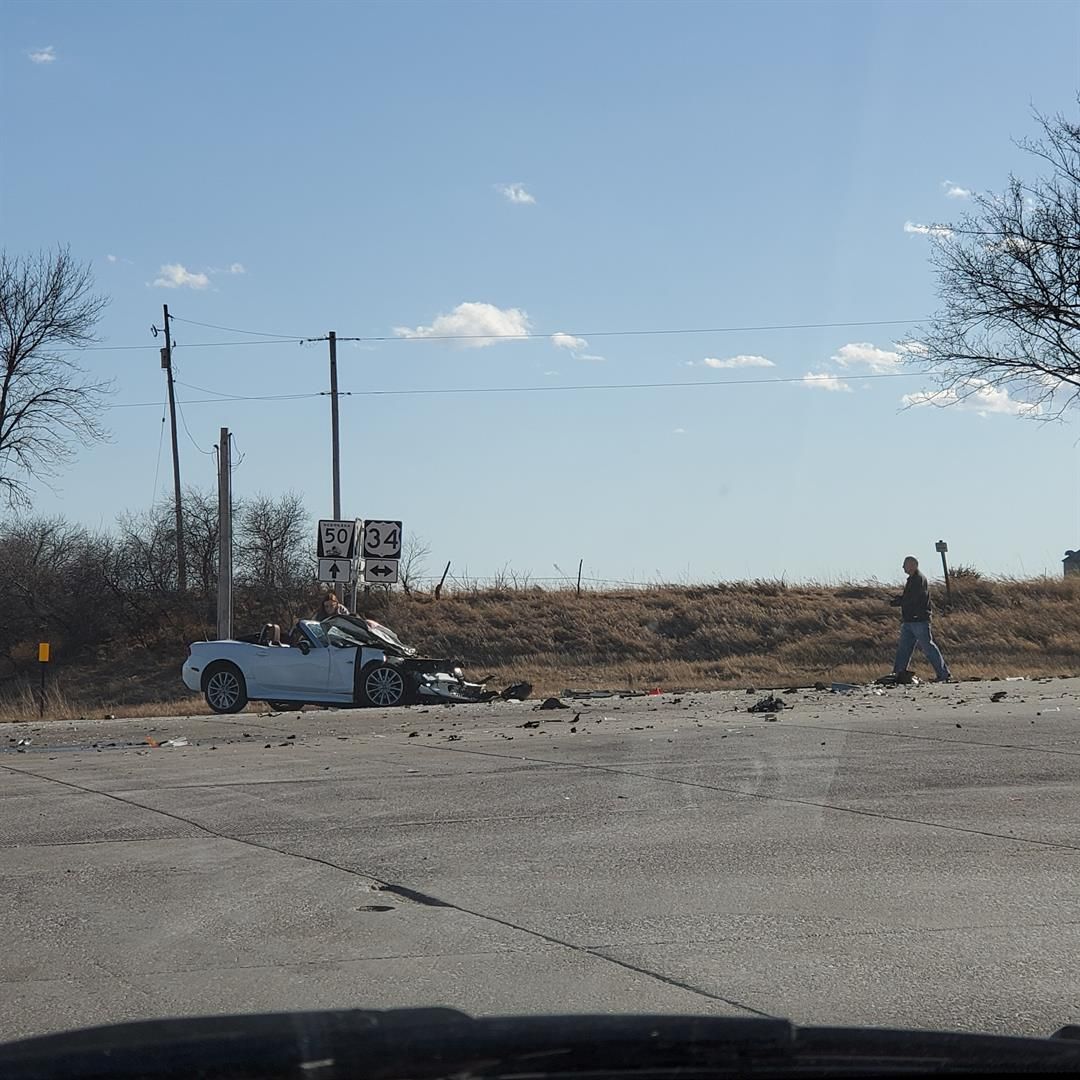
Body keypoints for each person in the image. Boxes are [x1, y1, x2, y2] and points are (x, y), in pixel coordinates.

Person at [890, 555, 953, 683]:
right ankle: (897, 674)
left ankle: (943, 674)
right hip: (909, 621)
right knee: (904, 649)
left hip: (919, 620)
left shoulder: (919, 579)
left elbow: (914, 598)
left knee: (928, 647)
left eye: (905, 564)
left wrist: (900, 601)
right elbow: (909, 597)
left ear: (913, 565)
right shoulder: (912, 579)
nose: (903, 567)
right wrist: (900, 600)